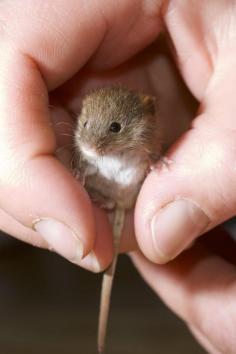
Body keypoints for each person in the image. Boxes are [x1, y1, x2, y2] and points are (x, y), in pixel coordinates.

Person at [0, 1, 236, 352]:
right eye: (85, 127)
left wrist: (157, 163)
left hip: (135, 193)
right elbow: (88, 150)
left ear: (139, 119)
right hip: (109, 194)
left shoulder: (145, 129)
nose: (93, 142)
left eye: (112, 129)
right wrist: (83, 169)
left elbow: (150, 150)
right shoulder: (87, 143)